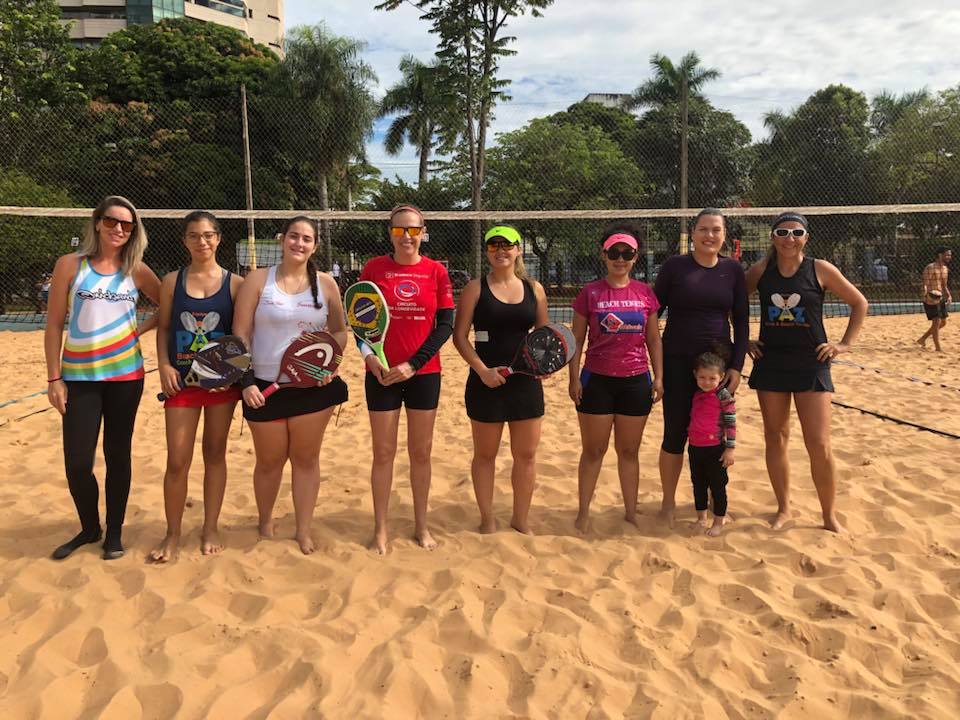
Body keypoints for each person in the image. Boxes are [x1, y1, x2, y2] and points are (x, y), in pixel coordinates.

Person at [44, 196, 161, 560]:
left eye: (127, 225)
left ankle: (113, 532)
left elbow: (166, 304)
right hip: (78, 377)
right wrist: (53, 379)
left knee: (117, 454)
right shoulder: (70, 265)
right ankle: (89, 527)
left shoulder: (136, 270)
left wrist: (137, 332)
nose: (119, 229)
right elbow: (52, 325)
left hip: (126, 376)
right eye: (112, 221)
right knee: (78, 462)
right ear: (97, 223)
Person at [232, 216, 348, 554]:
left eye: (307, 239)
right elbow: (240, 334)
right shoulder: (257, 280)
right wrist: (247, 381)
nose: (299, 243)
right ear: (282, 240)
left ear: (315, 245)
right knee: (269, 461)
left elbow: (339, 332)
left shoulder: (326, 284)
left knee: (306, 459)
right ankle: (265, 522)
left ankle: (303, 530)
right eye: (294, 237)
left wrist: (330, 365)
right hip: (264, 386)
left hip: (312, 388)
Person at [746, 212, 867, 533]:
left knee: (818, 442)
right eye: (782, 232)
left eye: (796, 232)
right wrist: (742, 338)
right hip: (771, 363)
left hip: (811, 363)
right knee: (776, 437)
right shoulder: (761, 270)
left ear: (806, 237)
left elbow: (859, 303)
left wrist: (844, 344)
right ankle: (783, 508)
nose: (789, 238)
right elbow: (733, 303)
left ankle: (829, 515)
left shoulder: (820, 269)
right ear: (773, 237)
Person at [149, 211, 244, 562]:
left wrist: (230, 375)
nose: (202, 241)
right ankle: (172, 534)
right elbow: (162, 327)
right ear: (184, 241)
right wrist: (162, 365)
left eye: (208, 235)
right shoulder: (172, 281)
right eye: (194, 235)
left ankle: (210, 527)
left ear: (218, 238)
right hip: (183, 383)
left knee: (214, 454)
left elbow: (244, 336)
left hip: (221, 385)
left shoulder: (236, 284)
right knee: (177, 460)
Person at [360, 204, 454, 554]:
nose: (407, 237)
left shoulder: (435, 272)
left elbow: (445, 326)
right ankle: (381, 530)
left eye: (413, 230)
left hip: (423, 374)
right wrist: (368, 357)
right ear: (390, 233)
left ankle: (421, 526)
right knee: (383, 453)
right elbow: (361, 321)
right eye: (400, 230)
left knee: (421, 452)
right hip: (381, 372)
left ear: (423, 232)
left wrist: (413, 365)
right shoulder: (374, 269)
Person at [654, 208, 748, 527]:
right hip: (679, 362)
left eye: (716, 230)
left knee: (715, 435)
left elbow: (743, 321)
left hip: (716, 368)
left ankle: (712, 499)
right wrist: (656, 365)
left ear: (724, 235)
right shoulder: (675, 267)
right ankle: (668, 502)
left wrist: (736, 365)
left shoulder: (733, 270)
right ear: (692, 234)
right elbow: (653, 312)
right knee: (675, 434)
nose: (710, 235)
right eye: (703, 229)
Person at [453, 225, 549, 535]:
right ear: (487, 251)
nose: (501, 250)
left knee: (526, 455)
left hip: (525, 382)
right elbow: (460, 337)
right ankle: (487, 519)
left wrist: (544, 364)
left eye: (507, 245)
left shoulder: (534, 289)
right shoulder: (474, 289)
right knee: (485, 455)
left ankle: (520, 519)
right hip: (486, 382)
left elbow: (545, 339)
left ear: (518, 249)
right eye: (494, 245)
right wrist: (482, 369)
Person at [569, 224, 663, 533]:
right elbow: (577, 340)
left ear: (636, 256)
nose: (620, 259)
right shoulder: (590, 293)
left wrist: (658, 377)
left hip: (636, 380)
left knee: (629, 451)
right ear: (604, 254)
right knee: (594, 450)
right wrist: (573, 378)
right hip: (596, 379)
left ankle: (630, 512)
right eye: (614, 253)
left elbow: (653, 339)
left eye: (627, 253)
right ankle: (583, 511)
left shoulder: (645, 294)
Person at [687, 352, 736, 537]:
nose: (706, 382)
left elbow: (731, 423)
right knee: (698, 484)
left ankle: (718, 521)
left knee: (717, 487)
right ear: (695, 375)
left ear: (721, 377)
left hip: (715, 448)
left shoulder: (724, 395)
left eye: (712, 378)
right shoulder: (696, 394)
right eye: (702, 377)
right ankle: (701, 518)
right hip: (695, 447)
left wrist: (730, 449)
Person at [917, 247, 952, 351]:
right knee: (936, 322)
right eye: (947, 255)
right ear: (940, 255)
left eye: (950, 255)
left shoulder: (945, 269)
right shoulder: (930, 267)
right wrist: (925, 295)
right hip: (930, 297)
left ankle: (923, 339)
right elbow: (925, 284)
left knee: (943, 323)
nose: (949, 257)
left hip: (940, 297)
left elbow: (944, 285)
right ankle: (938, 348)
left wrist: (949, 296)